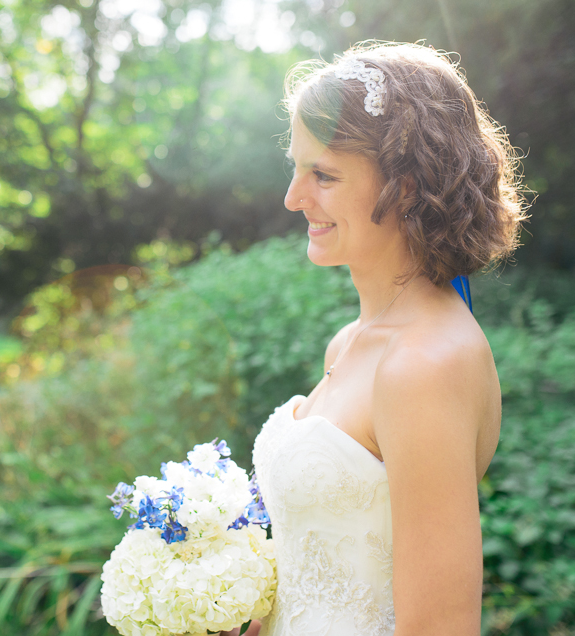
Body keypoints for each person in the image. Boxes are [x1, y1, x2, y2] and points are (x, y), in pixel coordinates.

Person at [224, 42, 527, 636]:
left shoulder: (426, 364)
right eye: (296, 167)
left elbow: (440, 629)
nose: (293, 198)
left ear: (407, 187)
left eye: (325, 175)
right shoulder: (348, 343)